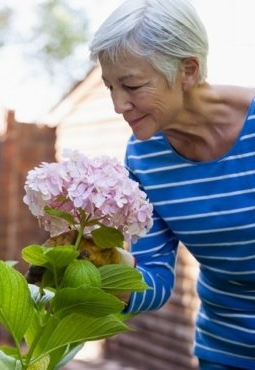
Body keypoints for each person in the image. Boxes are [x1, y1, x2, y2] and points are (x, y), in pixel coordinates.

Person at [89, 0, 255, 369]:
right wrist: (101, 276)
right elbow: (157, 276)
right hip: (227, 350)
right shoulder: (143, 157)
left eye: (131, 85)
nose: (119, 105)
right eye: (110, 87)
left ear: (189, 70)